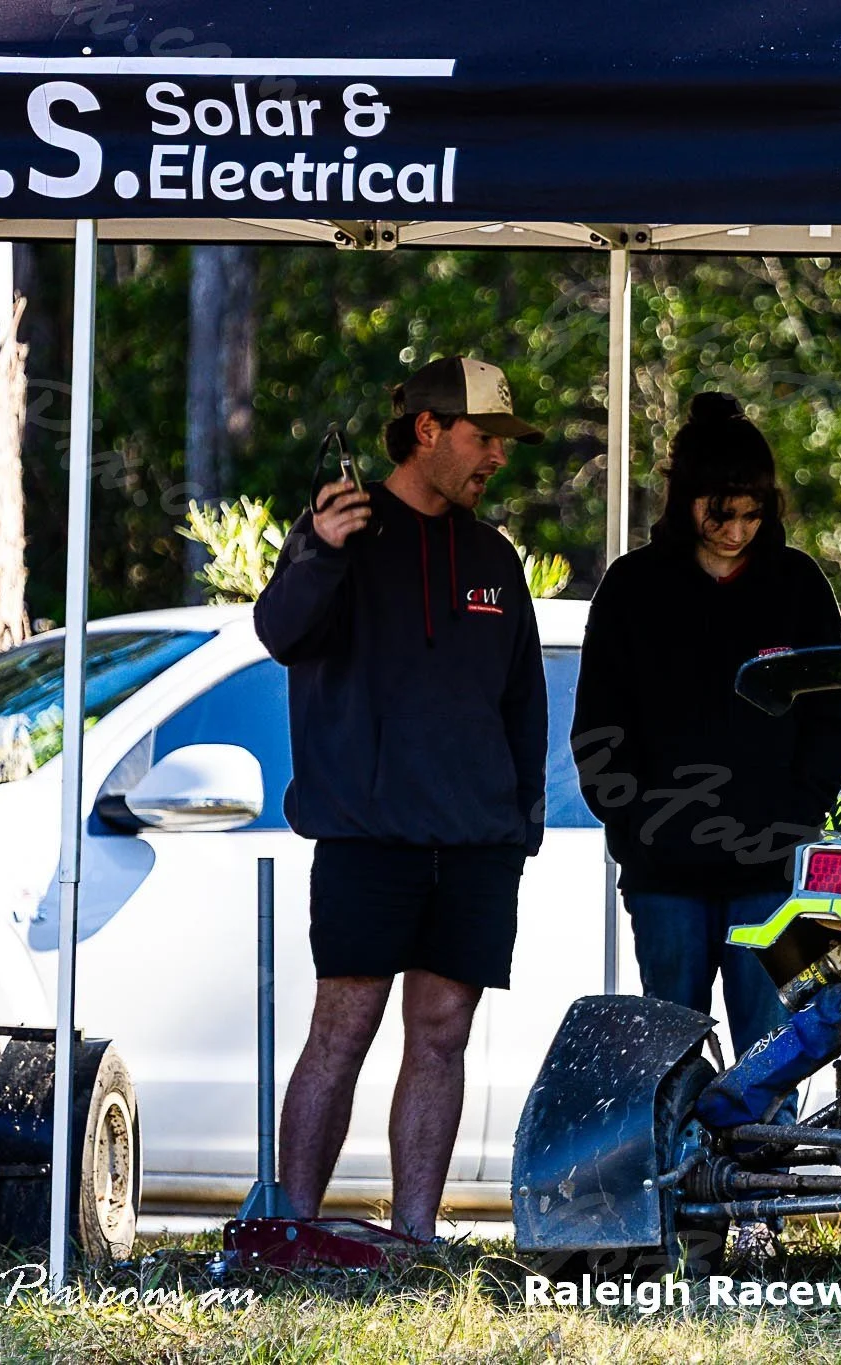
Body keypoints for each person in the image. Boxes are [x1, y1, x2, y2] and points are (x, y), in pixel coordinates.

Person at [253, 355, 548, 1241]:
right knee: (341, 1029)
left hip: (475, 844)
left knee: (443, 1033)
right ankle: (293, 1229)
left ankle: (418, 1235)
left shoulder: (494, 555)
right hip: (365, 838)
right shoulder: (339, 533)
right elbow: (279, 632)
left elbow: (524, 704)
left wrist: (518, 823)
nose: (497, 456)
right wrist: (319, 551)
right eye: (484, 437)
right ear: (429, 430)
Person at [572, 392, 841, 1064]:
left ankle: (766, 1169)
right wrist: (640, 823)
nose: (737, 530)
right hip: (663, 878)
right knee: (666, 1061)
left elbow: (839, 720)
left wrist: (796, 819)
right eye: (720, 513)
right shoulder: (631, 589)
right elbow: (598, 727)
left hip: (777, 879)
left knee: (774, 1060)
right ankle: (673, 1171)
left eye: (753, 514)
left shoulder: (797, 585)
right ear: (685, 501)